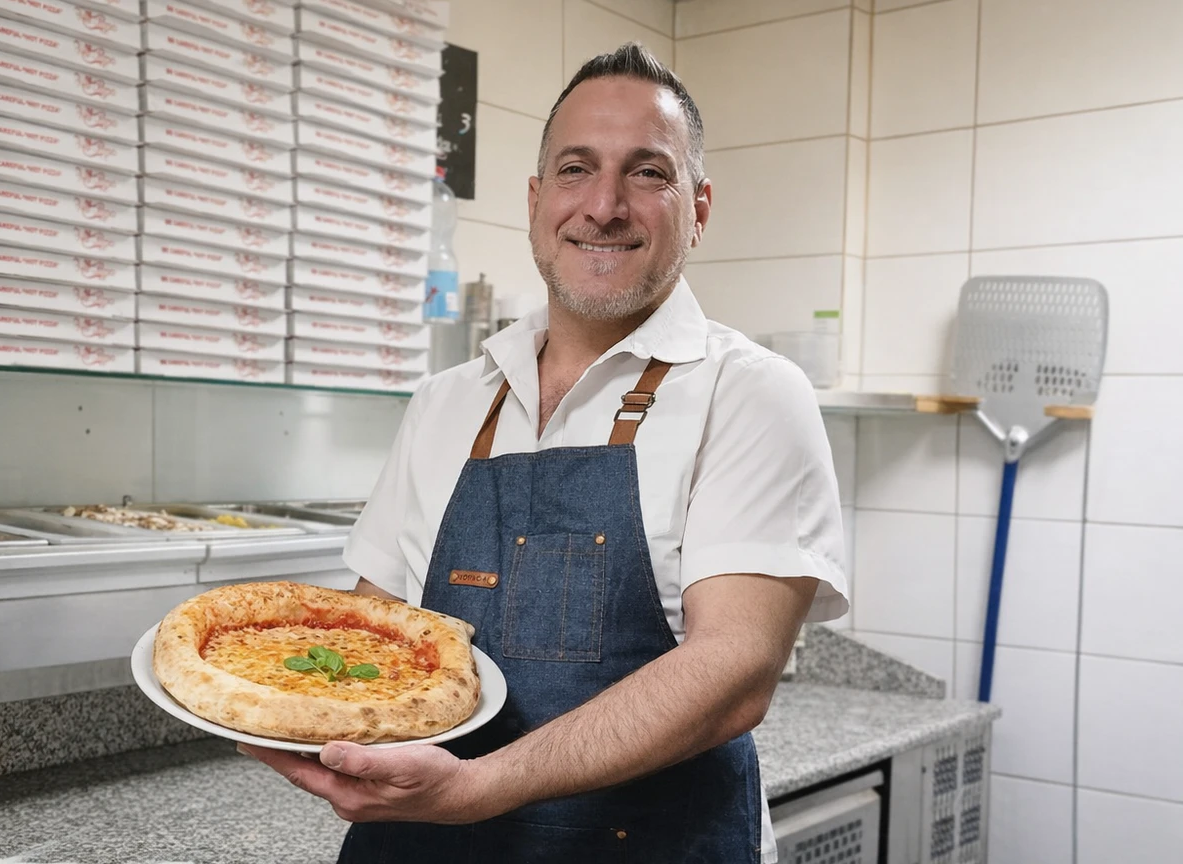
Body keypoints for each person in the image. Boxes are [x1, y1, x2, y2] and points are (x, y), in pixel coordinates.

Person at [240, 42, 848, 864]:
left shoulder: (749, 395)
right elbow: (372, 633)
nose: (603, 205)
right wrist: (277, 708)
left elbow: (734, 671)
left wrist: (478, 789)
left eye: (647, 173)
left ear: (699, 209)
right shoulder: (445, 402)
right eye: (575, 169)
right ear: (535, 202)